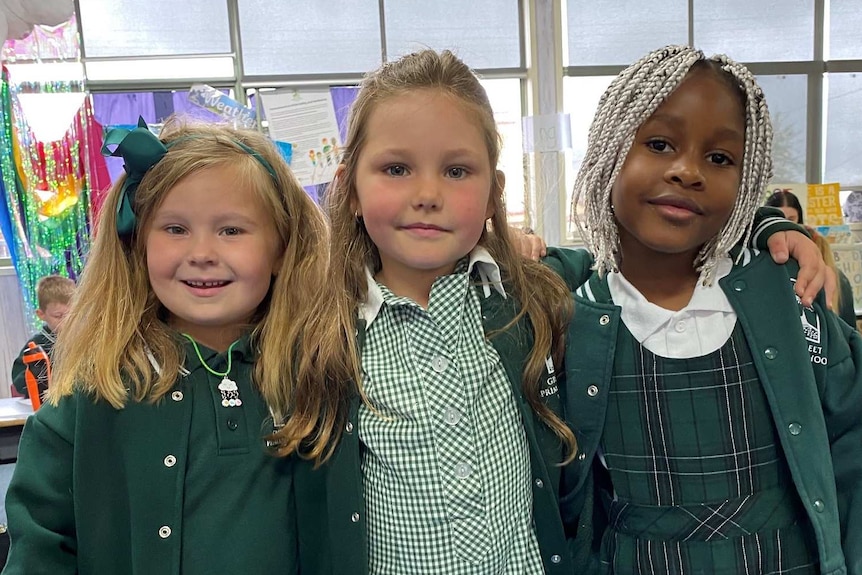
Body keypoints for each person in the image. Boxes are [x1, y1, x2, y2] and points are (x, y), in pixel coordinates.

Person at [272, 49, 833, 575]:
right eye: (396, 169)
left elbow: (642, 248)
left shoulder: (534, 295)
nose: (427, 194)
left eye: (456, 171)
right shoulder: (320, 330)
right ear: (348, 187)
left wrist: (767, 226)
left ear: (494, 192)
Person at [566, 45, 862, 574]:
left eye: (721, 158)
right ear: (608, 152)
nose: (687, 171)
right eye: (658, 143)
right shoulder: (573, 317)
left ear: (746, 184)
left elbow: (851, 425)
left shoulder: (788, 294)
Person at [2, 117, 330, 574]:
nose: (201, 252)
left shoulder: (317, 378)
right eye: (175, 229)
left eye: (232, 230)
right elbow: (40, 547)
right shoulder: (88, 399)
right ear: (138, 244)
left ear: (281, 248)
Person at [766, 189, 858, 327]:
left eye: (791, 220)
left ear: (800, 220)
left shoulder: (835, 276)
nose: (783, 226)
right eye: (777, 219)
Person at [10, 274, 74, 400]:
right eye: (58, 316)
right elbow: (19, 383)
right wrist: (39, 376)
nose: (66, 322)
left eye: (71, 315)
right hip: (47, 407)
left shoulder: (84, 340)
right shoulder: (35, 346)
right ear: (41, 314)